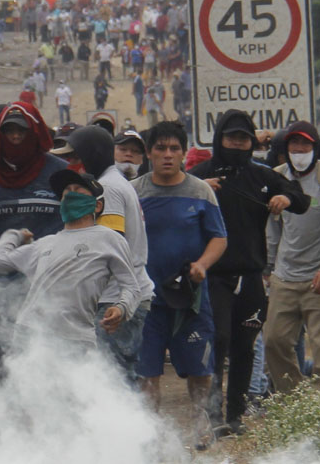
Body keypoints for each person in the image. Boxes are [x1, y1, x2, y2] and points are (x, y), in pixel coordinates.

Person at [188, 110, 310, 435]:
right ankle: (212, 416)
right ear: (219, 139)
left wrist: (285, 197)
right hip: (215, 275)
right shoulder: (201, 175)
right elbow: (168, 194)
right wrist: (199, 187)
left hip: (253, 276)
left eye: (243, 138)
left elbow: (302, 199)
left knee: (245, 345)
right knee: (219, 341)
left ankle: (235, 417)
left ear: (251, 142)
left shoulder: (263, 177)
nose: (237, 144)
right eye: (231, 138)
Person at [133, 121, 227, 450]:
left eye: (175, 149)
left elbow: (219, 237)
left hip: (191, 298)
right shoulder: (135, 192)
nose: (168, 155)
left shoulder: (200, 191)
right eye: (160, 149)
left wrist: (202, 264)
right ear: (149, 153)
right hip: (145, 301)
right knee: (146, 371)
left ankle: (201, 420)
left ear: (184, 152)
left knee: (200, 367)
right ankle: (150, 434)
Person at [0, 102, 66, 383]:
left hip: (49, 279)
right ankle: (7, 412)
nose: (16, 138)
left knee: (47, 350)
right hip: (3, 280)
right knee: (0, 350)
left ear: (34, 132)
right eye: (8, 132)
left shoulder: (60, 172)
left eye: (21, 131)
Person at [0, 169, 143, 352]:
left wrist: (121, 308)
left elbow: (132, 287)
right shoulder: (45, 244)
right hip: (30, 335)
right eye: (66, 192)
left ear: (97, 206)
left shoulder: (109, 239)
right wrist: (15, 235)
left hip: (76, 341)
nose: (71, 194)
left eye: (78, 190)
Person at [57, 126, 155, 385]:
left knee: (115, 384)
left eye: (75, 158)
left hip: (115, 299)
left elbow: (108, 250)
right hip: (121, 294)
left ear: (93, 155)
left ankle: (129, 428)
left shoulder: (107, 189)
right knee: (119, 380)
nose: (71, 165)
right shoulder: (110, 182)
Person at [264, 121, 320, 393]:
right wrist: (269, 266)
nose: (299, 149)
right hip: (285, 277)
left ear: (314, 147)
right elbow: (272, 226)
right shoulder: (277, 177)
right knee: (273, 342)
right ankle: (296, 402)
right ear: (286, 148)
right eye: (294, 144)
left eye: (305, 144)